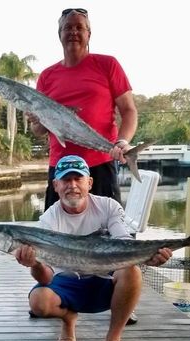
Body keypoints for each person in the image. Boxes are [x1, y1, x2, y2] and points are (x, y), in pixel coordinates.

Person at [15, 155, 172, 341]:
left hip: (105, 278)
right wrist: (34, 264)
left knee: (132, 271)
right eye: (65, 180)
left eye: (78, 179)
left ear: (89, 182)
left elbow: (124, 241)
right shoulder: (48, 219)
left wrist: (149, 256)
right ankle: (68, 318)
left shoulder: (109, 206)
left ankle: (113, 340)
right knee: (38, 302)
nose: (72, 186)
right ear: (55, 185)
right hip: (67, 281)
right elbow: (46, 278)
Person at [28, 7, 138, 210]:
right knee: (57, 234)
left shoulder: (108, 65)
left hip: (101, 164)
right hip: (61, 168)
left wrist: (122, 142)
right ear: (59, 34)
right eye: (67, 27)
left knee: (109, 231)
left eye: (80, 27)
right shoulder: (46, 76)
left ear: (89, 34)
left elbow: (129, 110)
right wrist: (36, 122)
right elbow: (40, 130)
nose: (73, 32)